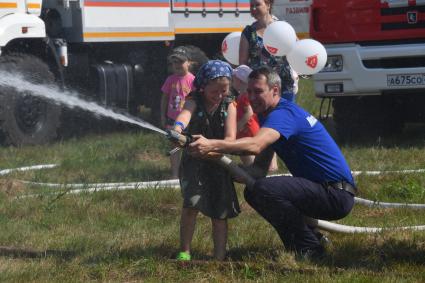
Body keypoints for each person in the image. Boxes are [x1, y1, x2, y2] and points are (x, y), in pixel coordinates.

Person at [188, 67, 356, 259]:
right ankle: (312, 237)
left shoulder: (282, 115)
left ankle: (309, 248)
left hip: (335, 195)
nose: (251, 97)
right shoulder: (270, 114)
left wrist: (211, 144)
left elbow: (255, 145)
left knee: (263, 191)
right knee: (257, 190)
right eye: (248, 92)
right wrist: (232, 170)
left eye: (258, 91)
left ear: (275, 90)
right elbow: (259, 169)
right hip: (328, 190)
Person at [172, 60, 240, 261]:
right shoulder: (194, 100)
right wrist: (177, 129)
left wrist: (210, 146)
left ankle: (219, 255)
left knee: (220, 212)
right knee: (190, 206)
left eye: (224, 91)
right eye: (214, 92)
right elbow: (185, 115)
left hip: (218, 163)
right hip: (194, 164)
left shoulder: (229, 105)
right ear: (203, 87)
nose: (219, 96)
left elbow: (230, 140)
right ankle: (185, 251)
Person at [239, 0, 299, 101]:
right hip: (260, 89)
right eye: (251, 6)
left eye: (257, 4)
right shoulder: (248, 32)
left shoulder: (283, 27)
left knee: (284, 115)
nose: (253, 8)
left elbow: (298, 49)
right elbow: (243, 63)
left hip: (284, 86)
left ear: (268, 5)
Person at [232, 64, 278, 171]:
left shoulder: (245, 96)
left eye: (234, 79)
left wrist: (238, 126)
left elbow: (249, 112)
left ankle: (254, 170)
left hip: (248, 129)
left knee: (246, 151)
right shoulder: (243, 95)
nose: (232, 81)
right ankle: (270, 167)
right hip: (250, 127)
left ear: (239, 81)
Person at [160, 48, 195, 179]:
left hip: (188, 121)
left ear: (189, 63)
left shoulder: (193, 80)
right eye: (174, 62)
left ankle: (189, 173)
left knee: (189, 147)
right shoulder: (170, 80)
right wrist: (162, 116)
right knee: (175, 148)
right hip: (172, 120)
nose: (177, 65)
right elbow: (164, 98)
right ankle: (175, 174)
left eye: (181, 61)